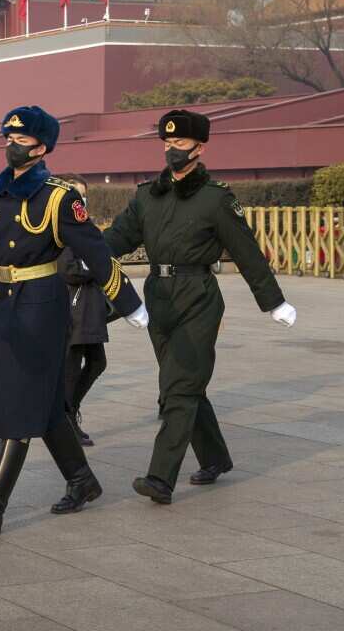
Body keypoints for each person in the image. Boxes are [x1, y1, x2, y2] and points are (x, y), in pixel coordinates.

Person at [0, 106, 148, 536]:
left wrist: (129, 303)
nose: (10, 145)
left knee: (21, 400)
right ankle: (82, 480)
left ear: (41, 147)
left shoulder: (57, 197)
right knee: (45, 404)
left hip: (40, 306)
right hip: (1, 303)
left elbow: (95, 252)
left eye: (20, 139)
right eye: (7, 137)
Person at [104, 109, 297, 505]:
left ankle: (160, 478)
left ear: (200, 147)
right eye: (167, 143)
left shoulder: (215, 200)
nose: (171, 150)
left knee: (177, 387)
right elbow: (117, 239)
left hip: (198, 296)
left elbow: (247, 252)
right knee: (185, 385)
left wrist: (273, 302)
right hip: (158, 295)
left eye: (180, 144)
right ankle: (215, 458)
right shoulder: (147, 196)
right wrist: (80, 255)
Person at [56, 174, 111, 447]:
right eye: (76, 194)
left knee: (97, 363)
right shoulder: (61, 228)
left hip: (89, 308)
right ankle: (65, 420)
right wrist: (97, 267)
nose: (81, 200)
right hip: (72, 308)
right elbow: (68, 269)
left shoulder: (84, 227)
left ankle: (68, 411)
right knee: (70, 368)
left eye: (84, 195)